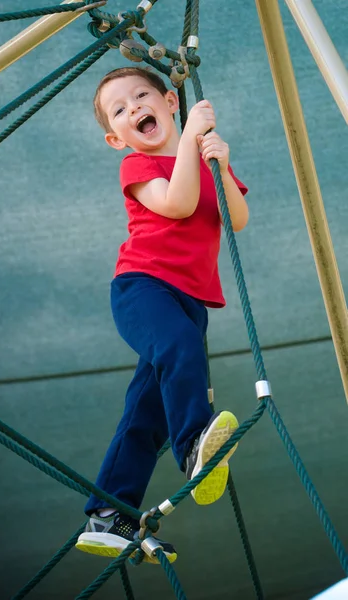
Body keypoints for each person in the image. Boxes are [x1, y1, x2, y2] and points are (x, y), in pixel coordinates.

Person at [76, 66, 249, 564]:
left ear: (170, 101)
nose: (134, 109)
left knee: (146, 414)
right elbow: (177, 204)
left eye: (142, 97)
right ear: (116, 138)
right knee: (179, 348)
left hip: (190, 303)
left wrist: (221, 162)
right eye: (121, 109)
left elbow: (235, 218)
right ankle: (194, 443)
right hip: (143, 289)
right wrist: (194, 137)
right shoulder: (137, 167)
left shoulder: (200, 157)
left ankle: (110, 514)